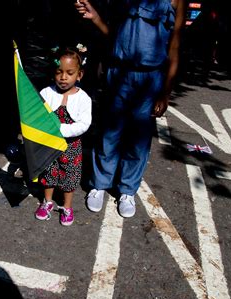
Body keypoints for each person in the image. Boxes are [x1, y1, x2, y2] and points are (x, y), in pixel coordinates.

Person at [75, 0, 186, 218]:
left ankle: (127, 190)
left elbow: (174, 48)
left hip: (150, 79)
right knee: (109, 133)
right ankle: (99, 184)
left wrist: (165, 92)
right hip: (118, 74)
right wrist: (96, 18)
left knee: (138, 140)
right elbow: (114, 35)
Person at [34, 47, 92, 226]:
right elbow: (37, 116)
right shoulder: (46, 93)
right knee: (49, 173)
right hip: (50, 145)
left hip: (71, 147)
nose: (63, 77)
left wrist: (62, 130)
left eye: (69, 73)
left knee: (70, 176)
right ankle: (48, 202)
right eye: (59, 72)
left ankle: (67, 206)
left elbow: (84, 124)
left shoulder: (84, 98)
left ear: (79, 74)